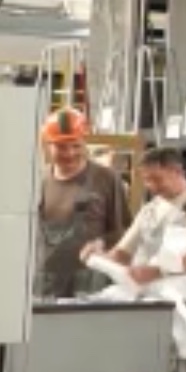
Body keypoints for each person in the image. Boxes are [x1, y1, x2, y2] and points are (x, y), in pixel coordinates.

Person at [81, 147, 186, 372]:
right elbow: (122, 254)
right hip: (155, 302)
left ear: (177, 171)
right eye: (146, 180)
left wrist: (159, 270)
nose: (151, 186)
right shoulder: (150, 210)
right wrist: (97, 256)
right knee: (153, 371)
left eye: (157, 179)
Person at [35, 109, 129, 300]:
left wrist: (102, 243)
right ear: (48, 145)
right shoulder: (38, 181)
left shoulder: (106, 179)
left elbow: (124, 232)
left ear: (84, 142)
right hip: (46, 285)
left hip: (89, 286)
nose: (69, 153)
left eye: (76, 145)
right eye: (61, 147)